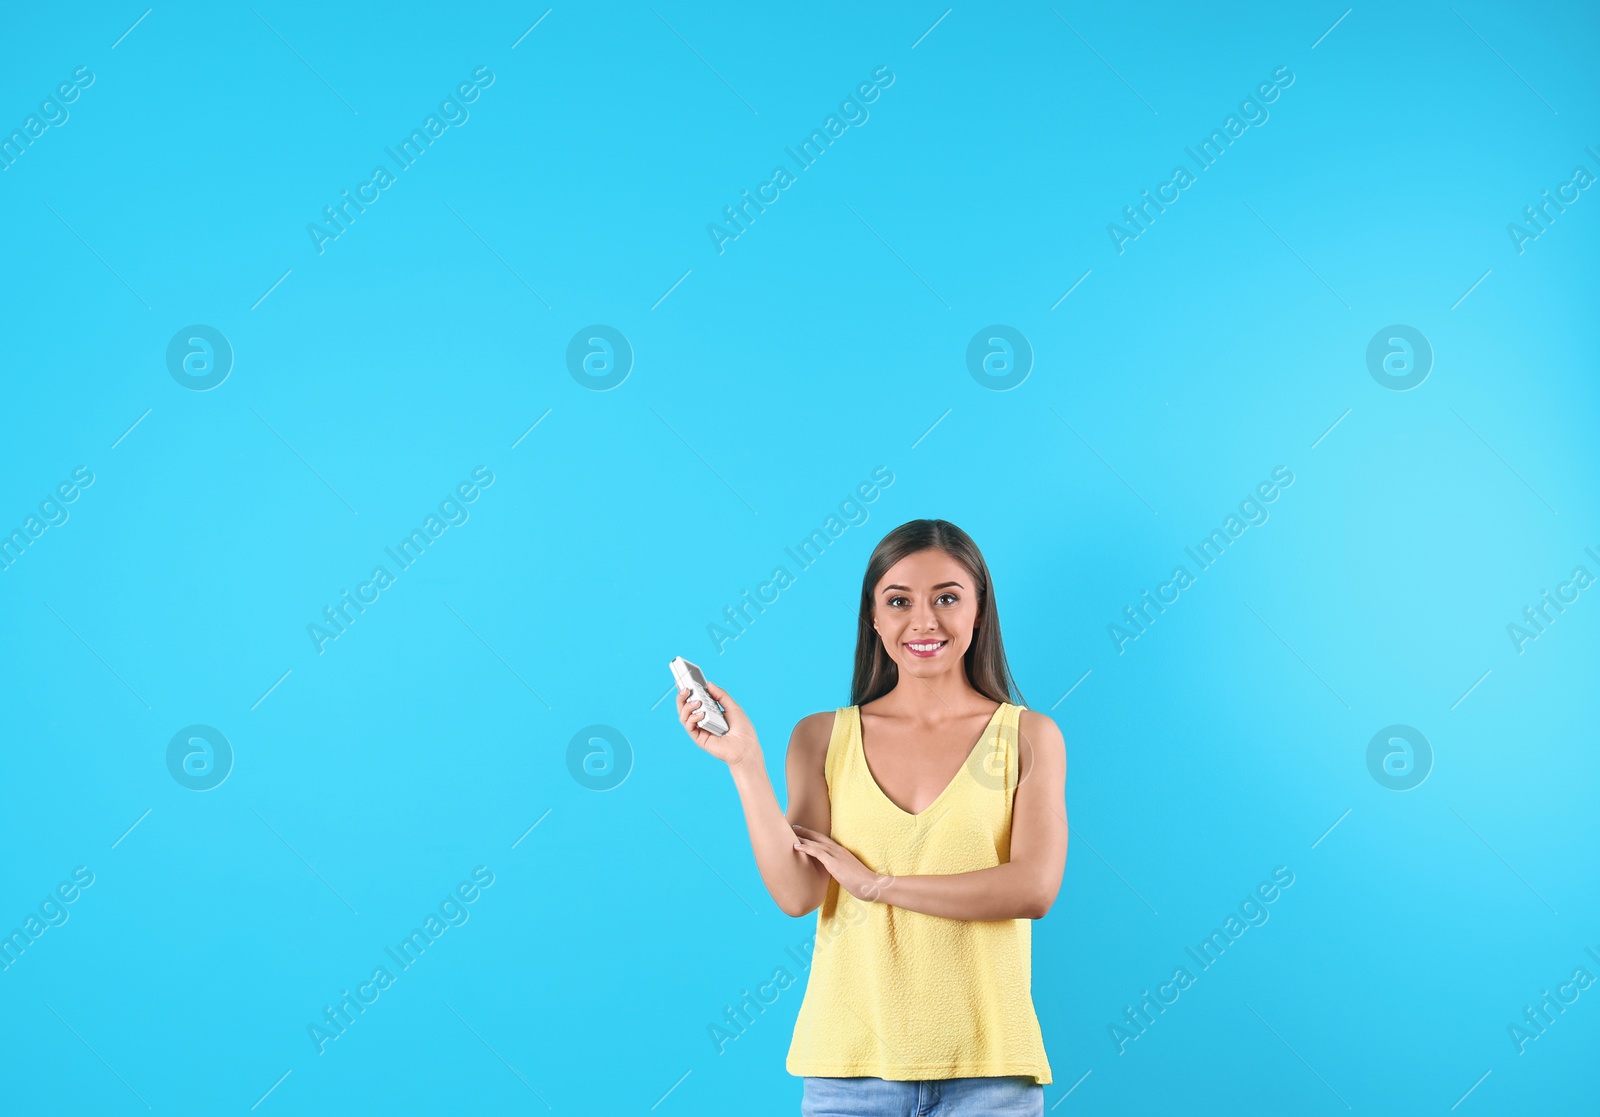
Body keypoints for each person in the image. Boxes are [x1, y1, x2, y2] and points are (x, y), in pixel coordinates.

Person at [675, 518, 1067, 1115]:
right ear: (874, 617)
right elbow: (798, 893)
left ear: (980, 611)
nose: (924, 621)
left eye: (947, 598)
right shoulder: (819, 738)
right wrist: (746, 764)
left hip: (991, 1075)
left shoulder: (1028, 736)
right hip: (848, 1074)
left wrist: (876, 886)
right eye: (899, 600)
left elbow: (1033, 888)